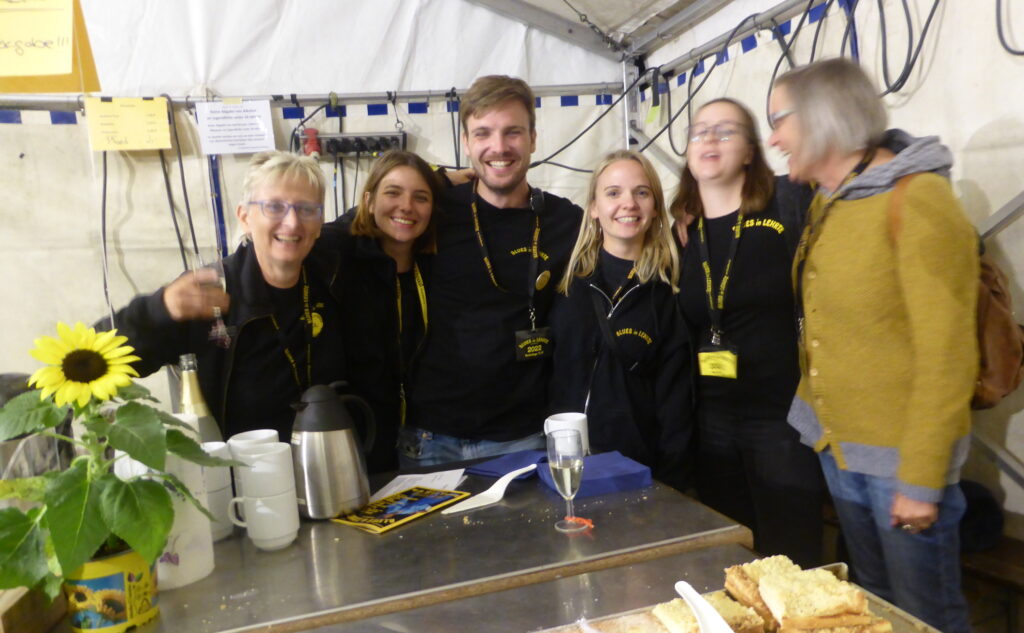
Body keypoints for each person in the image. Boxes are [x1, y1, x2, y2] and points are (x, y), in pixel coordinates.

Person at [769, 58, 978, 633]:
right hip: (842, 452)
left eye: (779, 120)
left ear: (822, 119)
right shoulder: (829, 199)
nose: (773, 138)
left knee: (926, 617)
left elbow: (949, 353)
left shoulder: (917, 200)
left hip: (901, 466)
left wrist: (921, 477)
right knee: (875, 608)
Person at [671, 98, 824, 567]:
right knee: (730, 557)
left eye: (726, 131)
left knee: (793, 560)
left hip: (782, 419)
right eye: (700, 131)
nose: (710, 140)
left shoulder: (789, 202)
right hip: (712, 422)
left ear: (752, 150)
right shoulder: (677, 231)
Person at [103, 151, 346, 441]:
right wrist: (159, 310)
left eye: (307, 209)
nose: (292, 223)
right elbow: (100, 358)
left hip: (328, 463)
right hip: (239, 475)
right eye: (275, 207)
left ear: (320, 223)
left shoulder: (333, 278)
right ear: (245, 217)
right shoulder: (208, 293)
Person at [403, 75, 583, 467]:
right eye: (482, 133)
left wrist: (687, 211)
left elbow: (628, 240)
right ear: (466, 143)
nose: (498, 147)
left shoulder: (564, 221)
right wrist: (433, 178)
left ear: (533, 139)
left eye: (512, 132)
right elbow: (362, 225)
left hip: (526, 438)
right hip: (434, 439)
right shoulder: (434, 210)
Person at [549, 150, 692, 490]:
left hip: (638, 470)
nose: (628, 203)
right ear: (594, 208)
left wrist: (672, 482)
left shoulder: (668, 293)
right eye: (613, 193)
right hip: (566, 464)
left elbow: (676, 402)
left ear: (655, 207)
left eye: (641, 192)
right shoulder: (567, 285)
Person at [322, 150, 441, 474]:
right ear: (369, 200)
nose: (406, 206)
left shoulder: (434, 265)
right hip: (357, 444)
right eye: (393, 192)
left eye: (421, 197)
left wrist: (442, 178)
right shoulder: (340, 257)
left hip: (422, 443)